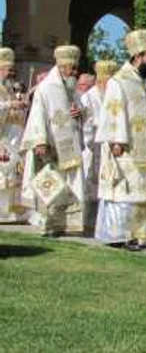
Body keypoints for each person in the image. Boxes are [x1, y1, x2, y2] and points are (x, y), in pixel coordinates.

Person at [94, 29, 146, 250]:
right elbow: (113, 111)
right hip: (124, 146)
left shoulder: (141, 81)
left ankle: (138, 234)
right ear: (138, 55)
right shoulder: (118, 81)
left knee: (140, 193)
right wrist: (116, 141)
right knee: (123, 191)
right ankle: (117, 235)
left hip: (143, 147)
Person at [21, 45, 86, 236]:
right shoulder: (46, 88)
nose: (75, 72)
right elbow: (37, 115)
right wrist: (40, 140)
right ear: (62, 66)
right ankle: (47, 223)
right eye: (72, 68)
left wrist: (80, 112)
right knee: (51, 184)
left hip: (69, 146)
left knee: (68, 184)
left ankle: (64, 224)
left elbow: (82, 109)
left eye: (75, 68)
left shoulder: (71, 88)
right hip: (50, 145)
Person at [80, 59, 119, 233]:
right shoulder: (88, 97)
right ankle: (87, 221)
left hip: (110, 147)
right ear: (99, 80)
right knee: (91, 185)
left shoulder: (115, 96)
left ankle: (104, 223)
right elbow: (86, 124)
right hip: (94, 147)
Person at [0, 47, 28, 222]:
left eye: (13, 70)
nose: (12, 73)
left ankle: (11, 213)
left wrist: (21, 105)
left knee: (13, 174)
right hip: (3, 137)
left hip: (14, 137)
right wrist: (10, 105)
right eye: (9, 70)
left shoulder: (9, 89)